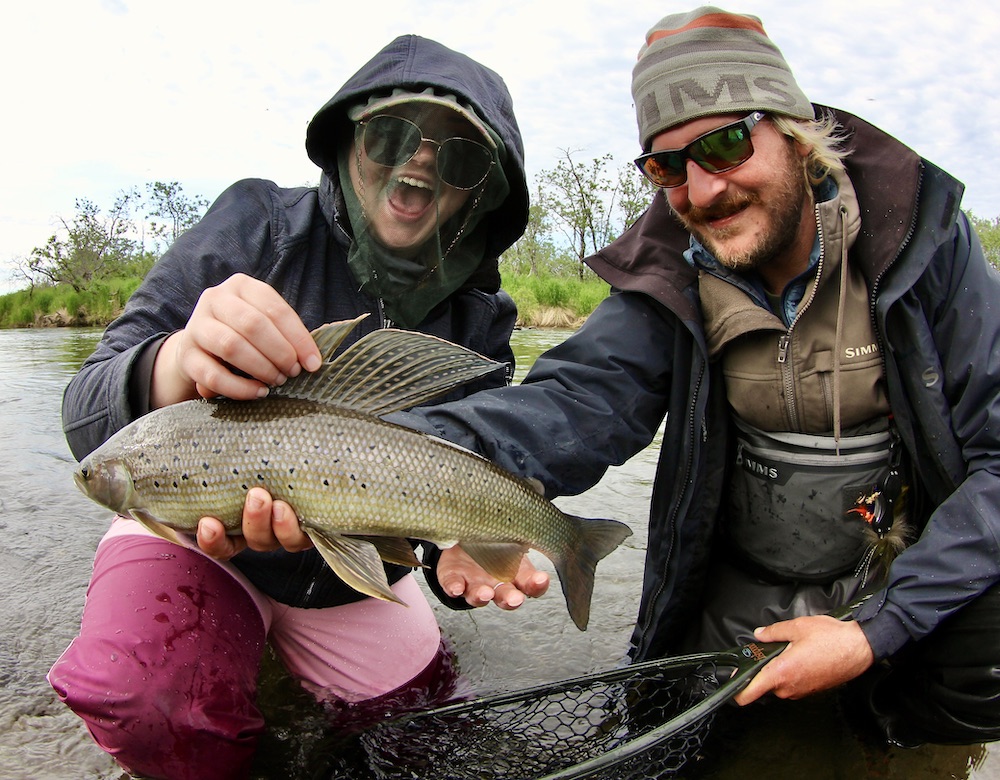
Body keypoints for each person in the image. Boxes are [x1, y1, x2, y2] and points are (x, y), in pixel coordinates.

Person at [392, 7, 1000, 749]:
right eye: (668, 167)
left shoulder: (923, 244)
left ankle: (907, 742)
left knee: (984, 651)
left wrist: (876, 629)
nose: (703, 190)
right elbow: (570, 406)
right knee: (688, 728)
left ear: (795, 132)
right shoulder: (666, 277)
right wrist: (380, 454)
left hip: (901, 565)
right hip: (744, 571)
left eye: (726, 144)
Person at [49, 34, 540, 780]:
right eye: (392, 135)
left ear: (482, 189)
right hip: (194, 531)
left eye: (461, 157)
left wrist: (465, 557)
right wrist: (175, 360)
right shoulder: (255, 224)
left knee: (424, 739)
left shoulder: (482, 320)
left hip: (350, 577)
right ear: (348, 141)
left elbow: (456, 518)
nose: (418, 162)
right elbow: (84, 413)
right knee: (147, 705)